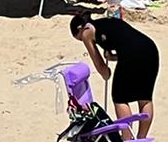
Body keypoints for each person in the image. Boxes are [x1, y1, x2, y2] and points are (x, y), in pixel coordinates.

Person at [68, 12, 160, 140]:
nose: (82, 40)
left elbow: (100, 65)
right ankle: (141, 137)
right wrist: (112, 57)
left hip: (132, 53)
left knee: (120, 98)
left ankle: (127, 138)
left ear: (79, 29)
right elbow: (128, 44)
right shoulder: (104, 23)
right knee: (145, 97)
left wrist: (106, 73)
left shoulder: (86, 31)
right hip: (150, 49)